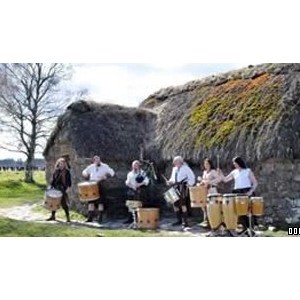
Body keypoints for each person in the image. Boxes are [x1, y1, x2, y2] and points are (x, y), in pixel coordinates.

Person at [219, 156, 258, 229]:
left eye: (235, 162)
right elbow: (225, 180)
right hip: (236, 192)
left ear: (239, 162)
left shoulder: (248, 171)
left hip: (246, 191)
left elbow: (255, 183)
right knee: (238, 211)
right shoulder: (234, 172)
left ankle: (250, 228)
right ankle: (242, 227)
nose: (234, 164)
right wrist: (220, 173)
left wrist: (251, 191)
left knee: (247, 210)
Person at [82, 155, 115, 223]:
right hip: (92, 185)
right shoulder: (91, 167)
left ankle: (100, 218)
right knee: (91, 202)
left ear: (100, 160)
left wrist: (105, 176)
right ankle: (90, 218)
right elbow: (84, 171)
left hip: (101, 184)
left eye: (98, 160)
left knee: (101, 202)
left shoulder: (105, 166)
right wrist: (85, 174)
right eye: (96, 160)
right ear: (94, 161)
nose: (97, 161)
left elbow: (112, 172)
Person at [167, 156, 196, 228]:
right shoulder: (174, 169)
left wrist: (188, 185)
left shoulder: (186, 168)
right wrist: (169, 181)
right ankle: (178, 220)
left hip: (182, 187)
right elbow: (172, 178)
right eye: (174, 162)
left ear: (180, 162)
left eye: (176, 161)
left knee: (183, 204)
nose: (174, 163)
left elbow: (192, 177)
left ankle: (185, 222)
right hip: (175, 186)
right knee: (175, 204)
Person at [198, 158, 221, 226]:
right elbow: (204, 181)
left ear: (210, 164)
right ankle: (206, 221)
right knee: (204, 206)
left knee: (212, 206)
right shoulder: (204, 172)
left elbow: (219, 179)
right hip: (205, 191)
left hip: (212, 190)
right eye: (205, 164)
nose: (206, 165)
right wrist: (201, 181)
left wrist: (210, 182)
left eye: (207, 164)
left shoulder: (213, 171)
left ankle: (214, 221)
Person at [47, 158, 71, 222]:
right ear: (58, 164)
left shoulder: (67, 171)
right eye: (60, 163)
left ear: (64, 164)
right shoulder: (56, 171)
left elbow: (69, 181)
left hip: (62, 188)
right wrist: (51, 186)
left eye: (63, 164)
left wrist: (68, 188)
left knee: (64, 203)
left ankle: (68, 217)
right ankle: (53, 216)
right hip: (55, 188)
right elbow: (53, 180)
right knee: (54, 202)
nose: (61, 165)